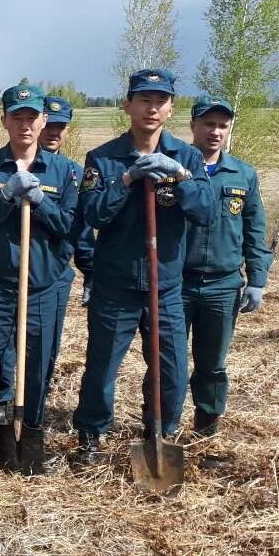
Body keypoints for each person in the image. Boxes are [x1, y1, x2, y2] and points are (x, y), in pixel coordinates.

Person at [70, 69, 215, 467]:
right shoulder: (102, 157)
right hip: (115, 284)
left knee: (170, 369)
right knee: (101, 367)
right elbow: (93, 214)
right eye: (144, 100)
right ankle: (91, 435)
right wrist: (128, 179)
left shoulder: (187, 156)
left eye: (160, 100)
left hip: (165, 284)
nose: (152, 108)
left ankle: (160, 431)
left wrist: (180, 177)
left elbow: (206, 212)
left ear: (171, 107)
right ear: (128, 105)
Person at [0, 85, 78, 469]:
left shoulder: (65, 172)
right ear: (5, 121)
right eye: (17, 117)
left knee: (39, 362)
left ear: (44, 121)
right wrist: (6, 199)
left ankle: (29, 433)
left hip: (42, 284)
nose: (25, 124)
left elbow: (71, 227)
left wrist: (41, 203)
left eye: (32, 117)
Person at [178, 96, 272, 438]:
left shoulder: (243, 174)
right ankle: (160, 427)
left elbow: (255, 230)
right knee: (167, 364)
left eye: (222, 125)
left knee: (212, 365)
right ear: (193, 126)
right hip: (177, 283)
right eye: (208, 124)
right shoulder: (176, 169)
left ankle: (206, 430)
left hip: (222, 285)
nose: (215, 132)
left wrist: (257, 279)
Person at [36, 95, 90, 394]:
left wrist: (89, 271)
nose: (54, 132)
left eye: (62, 126)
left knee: (45, 348)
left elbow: (80, 231)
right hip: (7, 275)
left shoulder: (74, 174)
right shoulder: (13, 167)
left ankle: (36, 407)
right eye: (49, 125)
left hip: (54, 274)